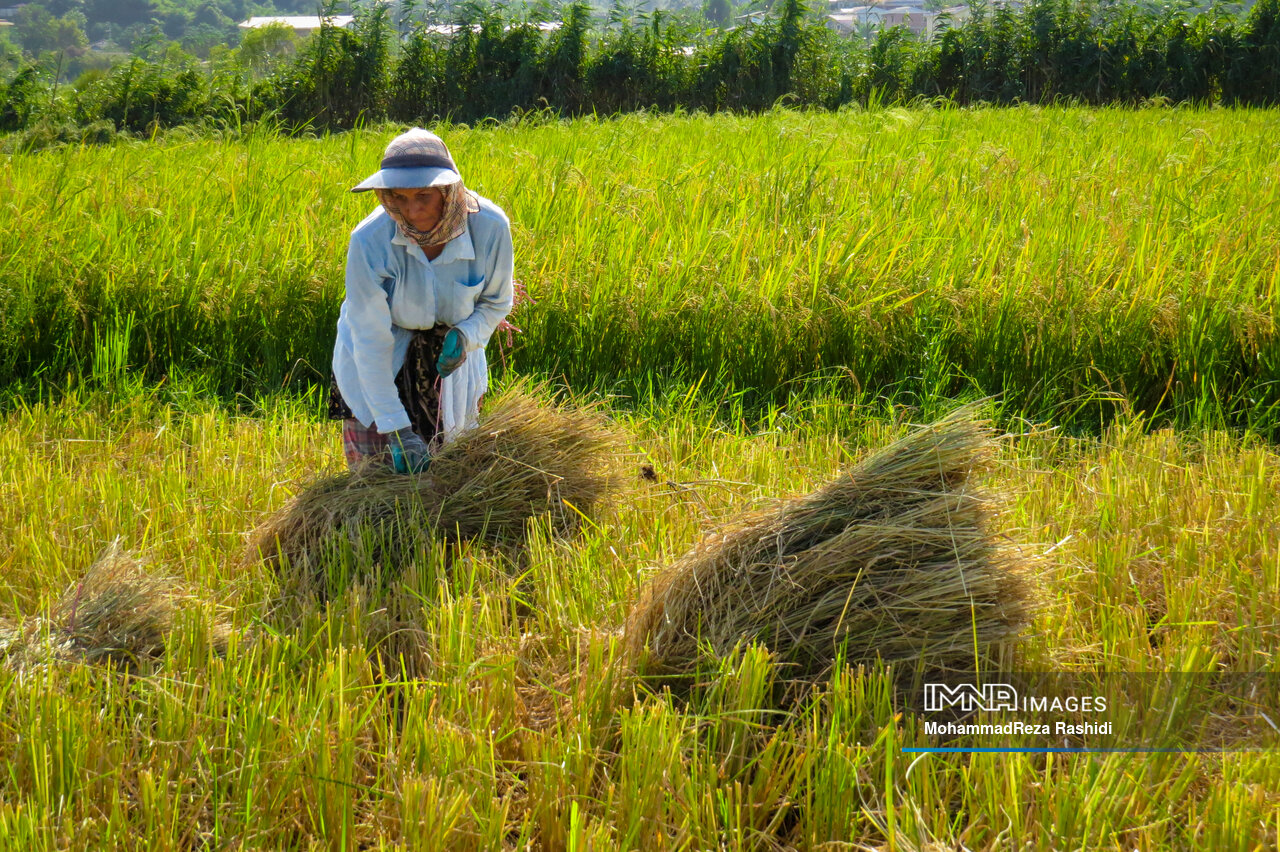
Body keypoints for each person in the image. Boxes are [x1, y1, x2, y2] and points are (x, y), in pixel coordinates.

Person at [328, 127, 514, 473]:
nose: (411, 211)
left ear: (448, 191)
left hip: (448, 364)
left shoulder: (490, 227)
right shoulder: (369, 240)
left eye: (423, 196)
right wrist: (397, 430)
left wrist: (466, 335)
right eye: (399, 197)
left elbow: (496, 301)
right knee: (374, 477)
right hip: (379, 358)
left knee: (448, 474)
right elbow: (369, 339)